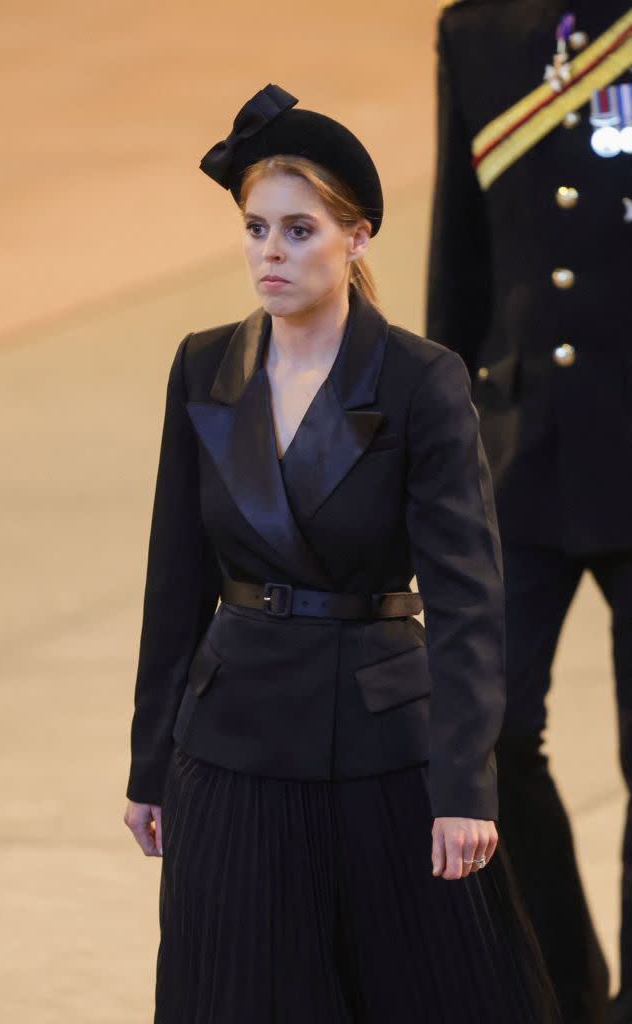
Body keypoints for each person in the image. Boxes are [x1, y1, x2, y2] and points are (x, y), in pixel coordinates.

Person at [124, 83, 558, 1023]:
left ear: (356, 236)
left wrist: (464, 786)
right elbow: (174, 580)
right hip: (230, 744)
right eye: (254, 229)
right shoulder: (203, 365)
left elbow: (468, 600)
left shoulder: (419, 379)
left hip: (384, 754)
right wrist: (148, 765)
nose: (269, 255)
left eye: (297, 230)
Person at [427, 2, 632, 1022]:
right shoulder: (475, 32)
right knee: (486, 730)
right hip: (519, 450)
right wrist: (426, 439)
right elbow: (457, 248)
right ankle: (568, 990)